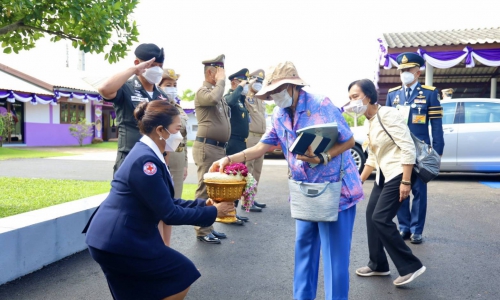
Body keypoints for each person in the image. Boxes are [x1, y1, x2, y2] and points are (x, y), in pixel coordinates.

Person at [210, 61, 364, 300]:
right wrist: (230, 159)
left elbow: (349, 141)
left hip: (336, 192)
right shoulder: (280, 114)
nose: (273, 96)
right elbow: (263, 146)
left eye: (277, 90)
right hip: (304, 191)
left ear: (293, 86)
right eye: (270, 92)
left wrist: (323, 156)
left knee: (335, 259)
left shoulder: (320, 104)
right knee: (304, 252)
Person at [83, 100, 235, 300]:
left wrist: (203, 204)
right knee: (183, 273)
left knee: (132, 294)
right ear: (161, 130)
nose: (180, 136)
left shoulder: (150, 155)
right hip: (119, 241)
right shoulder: (146, 161)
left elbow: (167, 202)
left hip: (111, 239)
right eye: (177, 129)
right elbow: (169, 213)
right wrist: (215, 212)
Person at [347, 78, 427, 286]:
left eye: (356, 96)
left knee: (381, 218)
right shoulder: (370, 121)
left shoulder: (388, 114)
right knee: (371, 216)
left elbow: (407, 146)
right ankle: (378, 265)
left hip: (399, 173)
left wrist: (406, 181)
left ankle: (411, 266)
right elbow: (373, 158)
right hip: (384, 176)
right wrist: (358, 181)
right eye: (350, 98)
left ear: (369, 96)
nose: (352, 102)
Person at [385, 52, 445, 244]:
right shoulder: (392, 95)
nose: (404, 73)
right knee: (400, 189)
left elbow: (436, 125)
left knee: (419, 191)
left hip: (420, 152)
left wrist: (436, 151)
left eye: (408, 70)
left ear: (418, 72)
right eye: (401, 70)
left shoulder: (429, 93)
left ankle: (416, 230)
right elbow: (385, 124)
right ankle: (404, 227)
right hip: (398, 151)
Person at [98, 43, 169, 174]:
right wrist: (133, 70)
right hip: (130, 157)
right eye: (152, 65)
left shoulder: (162, 96)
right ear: (137, 62)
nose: (157, 70)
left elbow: (167, 131)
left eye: (160, 66)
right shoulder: (126, 88)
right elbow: (104, 89)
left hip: (156, 159)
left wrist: (166, 164)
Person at [192, 54, 230, 243]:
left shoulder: (217, 92)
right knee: (204, 189)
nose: (223, 76)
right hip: (207, 147)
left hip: (218, 148)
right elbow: (214, 99)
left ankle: (209, 226)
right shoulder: (203, 91)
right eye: (219, 72)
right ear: (210, 72)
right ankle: (202, 229)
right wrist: (221, 81)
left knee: (214, 190)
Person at [157, 68, 189, 246]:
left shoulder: (178, 108)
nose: (172, 88)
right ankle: (157, 245)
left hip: (177, 159)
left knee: (172, 205)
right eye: (168, 85)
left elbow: (183, 138)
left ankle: (166, 246)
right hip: (162, 159)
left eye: (174, 85)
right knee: (158, 205)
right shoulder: (157, 107)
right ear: (159, 86)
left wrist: (185, 164)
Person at [224, 68, 260, 215]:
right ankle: (228, 212)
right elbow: (230, 102)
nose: (246, 86)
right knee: (232, 179)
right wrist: (239, 87)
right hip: (233, 142)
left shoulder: (241, 100)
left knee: (238, 179)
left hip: (241, 143)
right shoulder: (229, 97)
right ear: (234, 82)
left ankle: (233, 212)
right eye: (243, 82)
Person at [244, 69, 268, 210]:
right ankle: (246, 201)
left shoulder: (260, 99)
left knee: (257, 170)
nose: (258, 84)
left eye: (260, 81)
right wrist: (248, 86)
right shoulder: (247, 98)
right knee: (249, 169)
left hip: (261, 137)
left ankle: (252, 198)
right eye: (256, 81)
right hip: (251, 136)